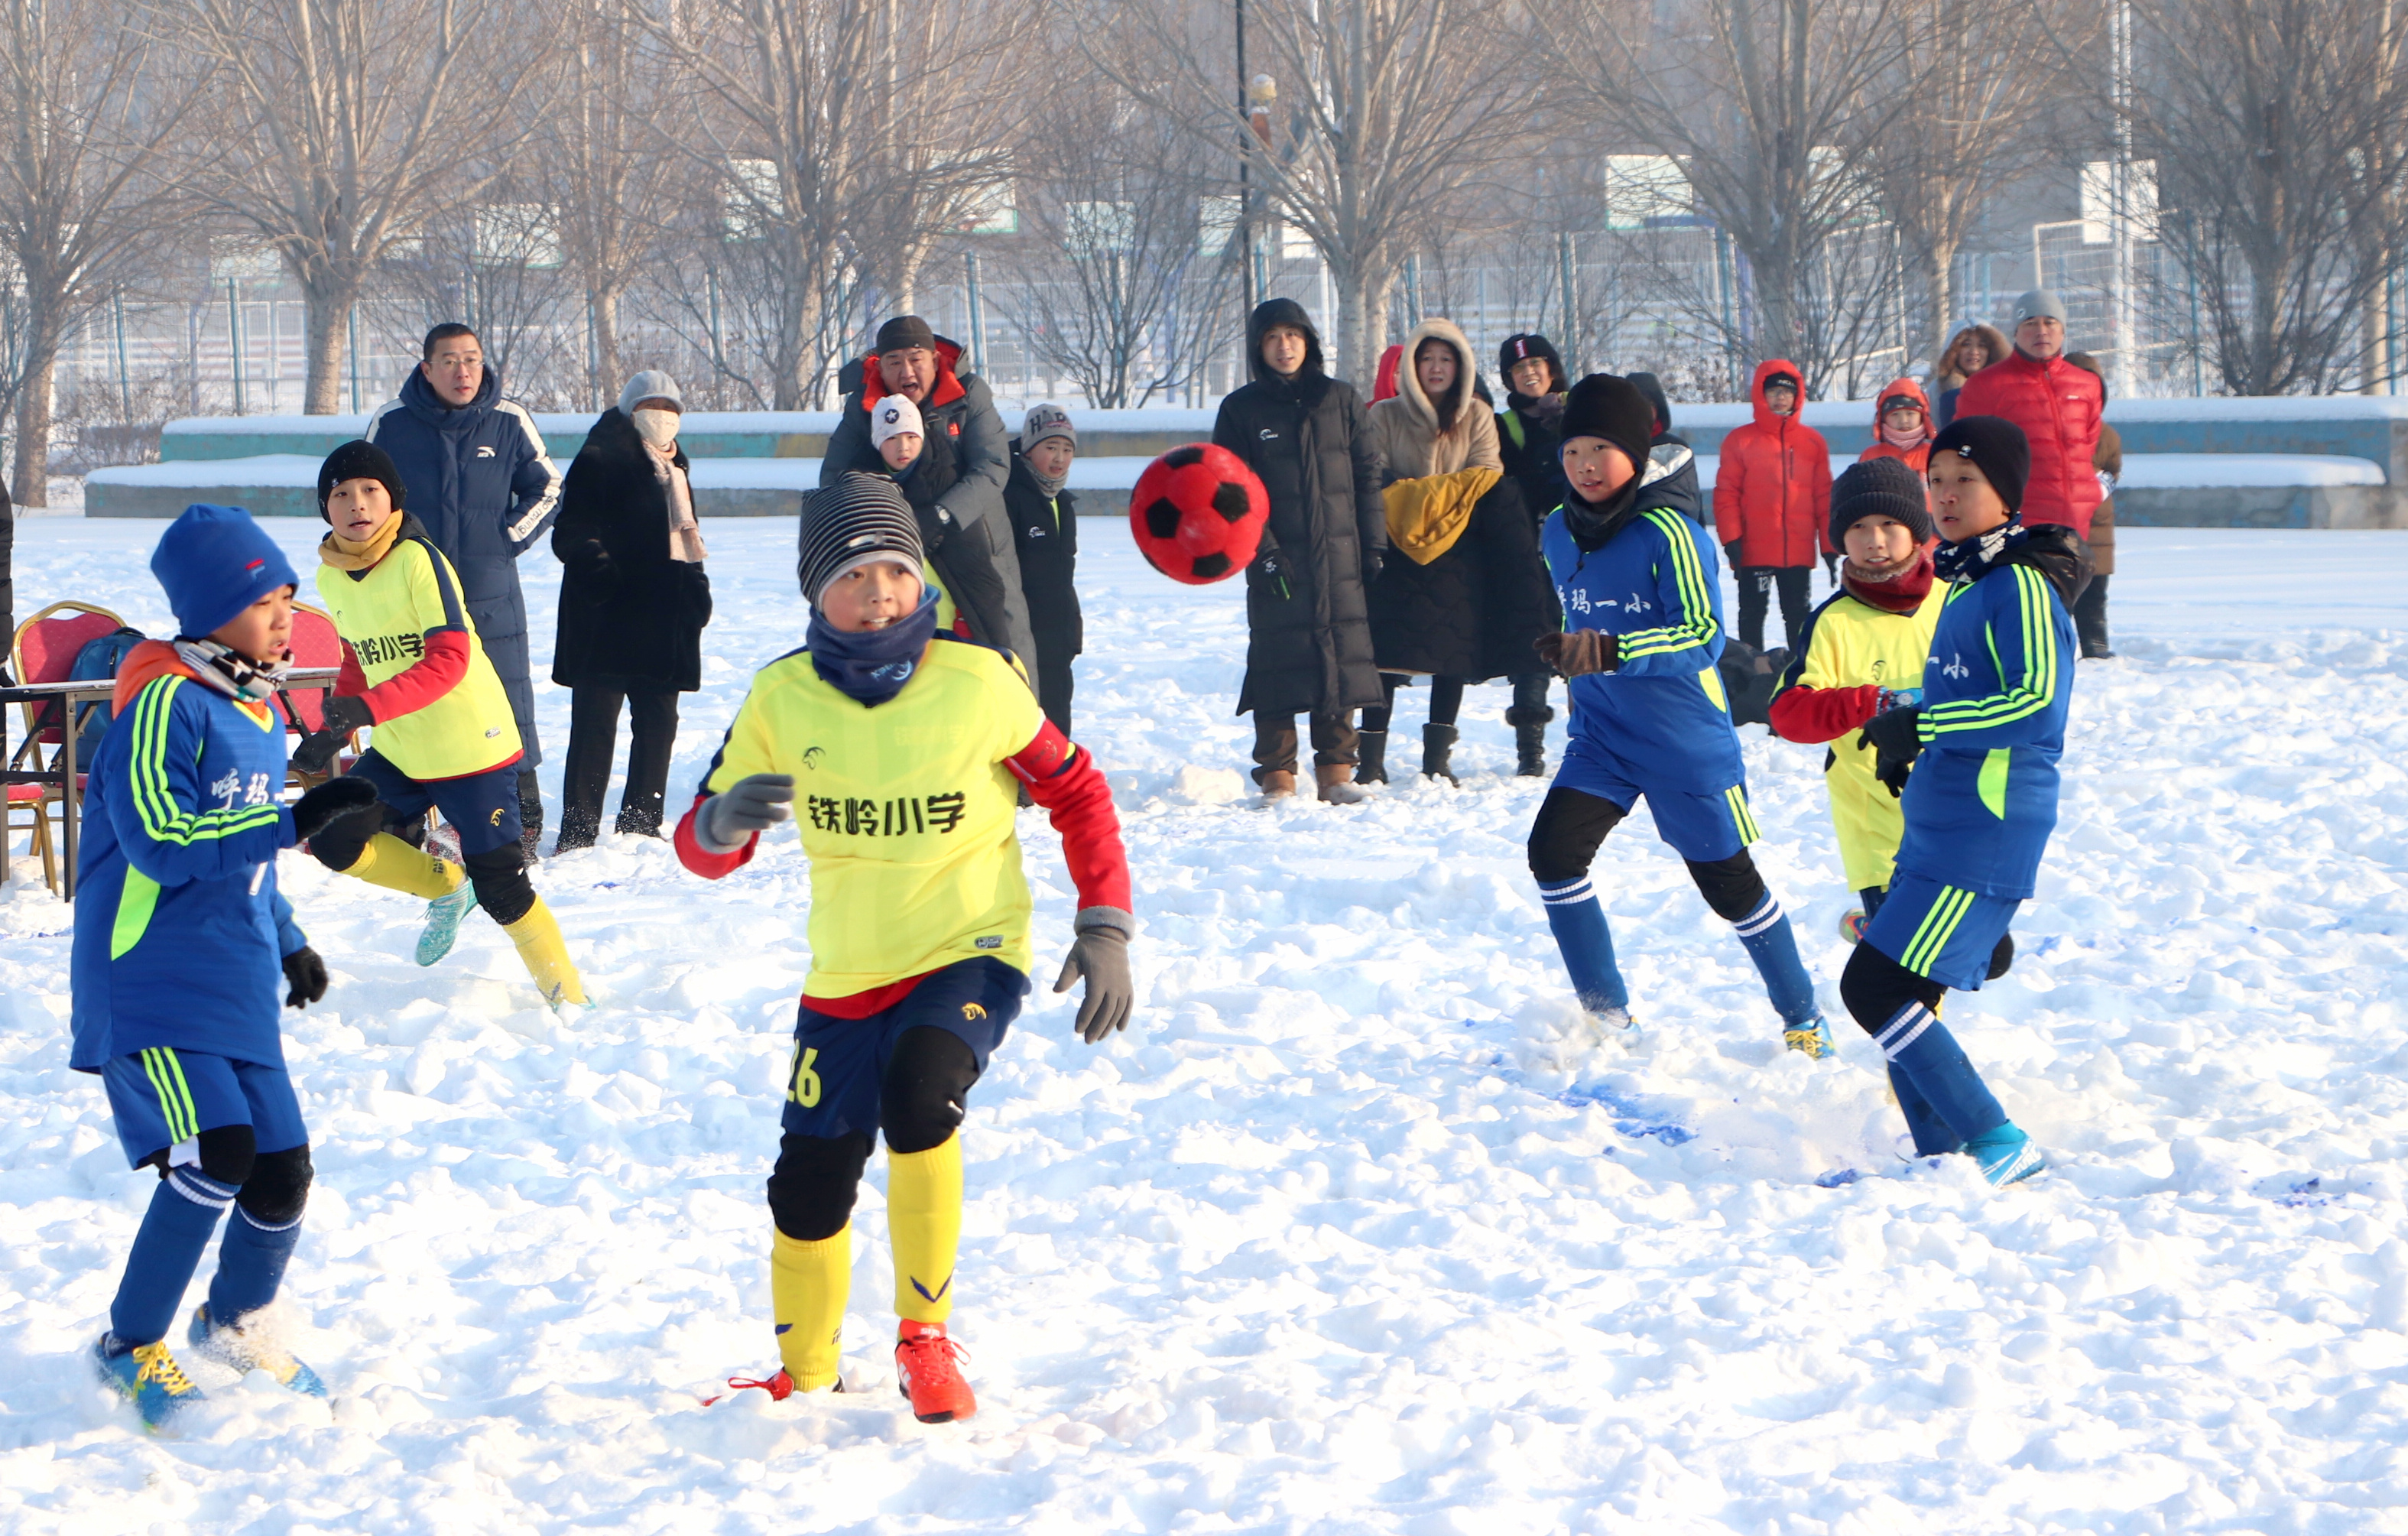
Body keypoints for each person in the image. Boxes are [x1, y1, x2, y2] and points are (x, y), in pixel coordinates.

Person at [673, 475, 1136, 1423]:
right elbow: (700, 845)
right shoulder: (781, 696)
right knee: (808, 1184)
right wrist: (719, 823)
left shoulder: (978, 679)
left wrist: (1105, 923)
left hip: (970, 945)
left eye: (896, 567)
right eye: (855, 573)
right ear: (816, 593)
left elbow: (1078, 790)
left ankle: (926, 1339)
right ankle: (801, 1375)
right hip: (845, 973)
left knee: (921, 1096)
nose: (880, 588)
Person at [71, 504, 381, 1431]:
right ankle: (128, 1344)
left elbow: (239, 852)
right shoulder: (161, 701)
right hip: (151, 976)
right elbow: (165, 843)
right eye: (261, 599)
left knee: (281, 1170)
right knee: (217, 1154)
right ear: (211, 608)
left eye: (288, 597)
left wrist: (287, 935)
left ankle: (236, 1324)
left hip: (234, 973)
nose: (285, 617)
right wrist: (295, 823)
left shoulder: (253, 702)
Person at [1528, 374, 1835, 1057]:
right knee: (1553, 854)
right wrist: (1570, 656)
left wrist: (1609, 649)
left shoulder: (1673, 532)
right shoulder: (1555, 529)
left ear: (1636, 455)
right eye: (1573, 449)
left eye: (1600, 449)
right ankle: (1608, 1016)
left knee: (1732, 889)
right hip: (1603, 737)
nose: (1584, 464)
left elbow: (1702, 636)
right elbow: (1577, 613)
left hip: (1683, 744)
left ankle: (1805, 1018)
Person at [1845, 416, 2087, 1186]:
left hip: (1987, 824)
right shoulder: (1968, 581)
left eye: (1965, 481)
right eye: (1938, 479)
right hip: (1943, 819)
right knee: (1904, 987)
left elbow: (2035, 703)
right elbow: (1961, 691)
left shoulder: (2020, 582)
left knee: (1874, 985)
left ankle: (1997, 1140)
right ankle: (1941, 1153)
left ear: (2006, 496)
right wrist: (1904, 716)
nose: (1946, 495)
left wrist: (1926, 720)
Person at [290, 442, 589, 1008]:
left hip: (470, 745)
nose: (357, 504)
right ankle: (447, 887)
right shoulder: (332, 578)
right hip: (404, 747)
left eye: (370, 491)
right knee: (333, 837)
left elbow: (449, 658)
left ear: (393, 500)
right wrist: (336, 726)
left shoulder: (418, 559)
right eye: (341, 494)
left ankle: (567, 996)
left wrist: (370, 710)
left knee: (502, 889)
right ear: (325, 509)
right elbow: (360, 656)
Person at [365, 323, 562, 859]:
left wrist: (507, 538)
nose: (463, 370)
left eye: (471, 359)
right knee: (417, 699)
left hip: (490, 592)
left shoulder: (509, 421)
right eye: (449, 360)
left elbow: (548, 487)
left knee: (505, 700)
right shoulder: (392, 424)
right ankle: (407, 820)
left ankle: (522, 822)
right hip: (415, 595)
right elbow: (364, 493)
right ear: (426, 368)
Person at [1211, 298, 1387, 804]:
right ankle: (1277, 774)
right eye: (1272, 337)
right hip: (1275, 560)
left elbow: (1367, 475)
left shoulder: (1341, 399)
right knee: (1276, 660)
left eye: (1292, 335)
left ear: (1309, 341)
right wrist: (1261, 552)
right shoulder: (1240, 410)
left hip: (1339, 556)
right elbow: (1227, 490)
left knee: (1339, 655)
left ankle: (1336, 770)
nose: (1283, 346)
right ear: (1257, 347)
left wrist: (1372, 542)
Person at [1766, 457, 1946, 943]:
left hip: (1957, 815)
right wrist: (1869, 704)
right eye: (1859, 527)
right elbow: (1789, 715)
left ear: (1917, 529)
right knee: (1908, 967)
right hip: (1878, 824)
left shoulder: (1956, 602)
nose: (1875, 540)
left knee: (1963, 951)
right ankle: (1883, 934)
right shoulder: (1833, 622)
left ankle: (1876, 932)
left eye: (1890, 524)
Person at [1360, 319, 1528, 782]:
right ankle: (1370, 762)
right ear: (1412, 365)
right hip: (1395, 550)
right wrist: (1444, 491)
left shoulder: (1477, 416)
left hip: (1459, 548)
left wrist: (1418, 493)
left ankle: (1437, 761)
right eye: (1427, 358)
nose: (1436, 368)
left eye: (1446, 359)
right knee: (1386, 657)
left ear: (1462, 366)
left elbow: (1488, 473)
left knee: (1450, 655)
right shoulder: (1384, 416)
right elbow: (1372, 475)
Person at [550, 371, 713, 849]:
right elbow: (571, 530)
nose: (662, 419)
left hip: (666, 616)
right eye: (650, 407)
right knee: (595, 726)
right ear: (629, 411)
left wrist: (697, 594)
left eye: (670, 410)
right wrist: (599, 570)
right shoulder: (600, 457)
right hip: (608, 618)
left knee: (659, 722)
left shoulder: (677, 469)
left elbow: (689, 540)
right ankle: (578, 832)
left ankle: (642, 824)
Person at [818, 316, 1035, 666]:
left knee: (1002, 646)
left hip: (976, 540)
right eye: (894, 362)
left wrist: (943, 514)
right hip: (896, 551)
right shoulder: (864, 407)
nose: (907, 372)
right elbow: (834, 477)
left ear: (934, 361)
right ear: (879, 367)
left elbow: (993, 467)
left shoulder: (969, 394)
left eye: (916, 359)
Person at [1952, 290, 2105, 551]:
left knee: (2087, 594)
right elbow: (1963, 455)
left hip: (2081, 526)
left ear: (2063, 330)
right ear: (2015, 332)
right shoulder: (1986, 386)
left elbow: (2088, 449)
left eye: (2050, 322)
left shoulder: (2087, 384)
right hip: (2020, 529)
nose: (2041, 331)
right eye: (2030, 323)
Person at [867, 395, 1014, 649]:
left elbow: (973, 565)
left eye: (911, 437)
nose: (903, 447)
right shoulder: (867, 491)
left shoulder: (947, 479)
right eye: (892, 438)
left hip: (955, 627)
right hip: (898, 626)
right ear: (878, 444)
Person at [1713, 359, 1832, 652]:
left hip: (1798, 552)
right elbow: (1727, 493)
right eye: (1774, 391)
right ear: (1760, 395)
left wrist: (1830, 546)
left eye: (1787, 392)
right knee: (1752, 615)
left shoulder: (1812, 442)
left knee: (1799, 615)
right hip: (1754, 551)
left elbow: (1824, 498)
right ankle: (1751, 672)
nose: (1780, 397)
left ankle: (1799, 672)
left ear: (1798, 396)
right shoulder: (1740, 441)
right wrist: (1732, 540)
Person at [1494, 333, 1572, 776]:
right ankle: (1531, 750)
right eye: (1520, 369)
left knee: (1588, 644)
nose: (1530, 374)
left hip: (1579, 546)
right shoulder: (1504, 426)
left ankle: (1597, 736)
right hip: (1527, 550)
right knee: (1535, 647)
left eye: (1537, 365)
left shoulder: (1576, 414)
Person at [1004, 404, 1083, 736]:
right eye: (1050, 447)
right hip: (1023, 635)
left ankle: (1057, 781)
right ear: (1028, 447)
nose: (1059, 458)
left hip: (1058, 635)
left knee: (1058, 718)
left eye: (1067, 449)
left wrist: (1072, 629)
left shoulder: (1063, 503)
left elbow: (1064, 577)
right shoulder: (1009, 496)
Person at [2062, 352, 2121, 659]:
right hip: (2061, 523)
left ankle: (2095, 645)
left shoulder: (2108, 435)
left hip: (2097, 526)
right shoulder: (2052, 431)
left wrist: (2101, 484)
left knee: (2095, 594)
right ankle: (2056, 645)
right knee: (2060, 592)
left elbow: (2114, 470)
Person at [1931, 323, 2009, 430]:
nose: (1974, 352)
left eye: (1982, 346)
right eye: (1966, 345)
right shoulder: (1936, 389)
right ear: (1953, 350)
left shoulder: (2005, 388)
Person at [1858, 378, 1936, 476]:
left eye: (1910, 413)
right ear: (1883, 419)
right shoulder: (1870, 456)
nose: (1903, 421)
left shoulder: (1935, 454)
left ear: (1922, 417)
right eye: (1895, 414)